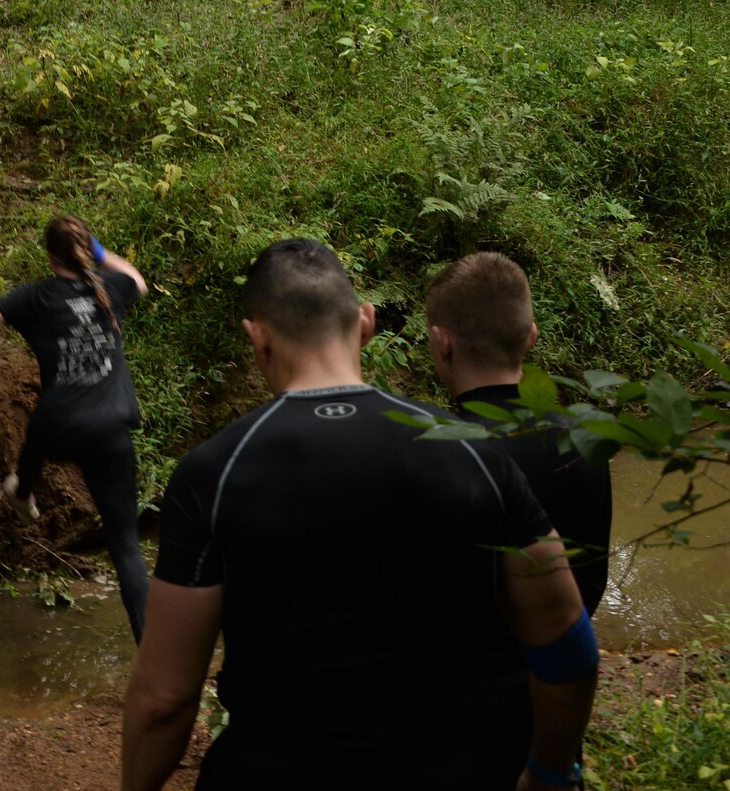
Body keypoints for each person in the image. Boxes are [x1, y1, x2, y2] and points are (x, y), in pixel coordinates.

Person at [122, 239, 597, 791]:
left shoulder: (214, 474)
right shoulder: (469, 449)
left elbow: (164, 700)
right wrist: (548, 770)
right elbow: (566, 640)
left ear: (257, 338)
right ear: (366, 323)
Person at [427, 251, 615, 785]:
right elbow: (590, 579)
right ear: (531, 336)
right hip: (556, 703)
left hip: (459, 714)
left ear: (442, 342)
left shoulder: (435, 449)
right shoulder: (584, 440)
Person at [0, 217, 151, 641]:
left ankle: (24, 493)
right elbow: (137, 278)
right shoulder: (110, 289)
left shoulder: (39, 297)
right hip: (111, 431)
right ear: (86, 253)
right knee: (126, 549)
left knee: (39, 429)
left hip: (58, 429)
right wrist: (99, 253)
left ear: (49, 257)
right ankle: (152, 650)